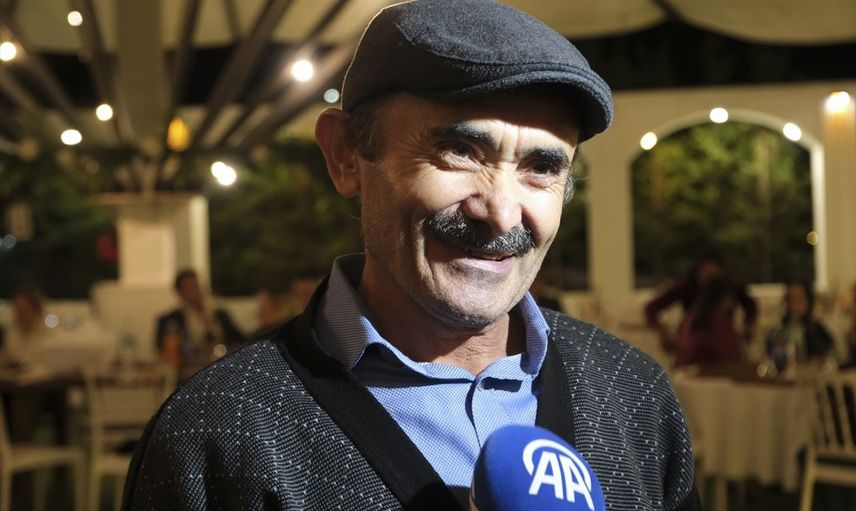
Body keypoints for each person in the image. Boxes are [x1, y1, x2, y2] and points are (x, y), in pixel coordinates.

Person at [124, 2, 700, 510]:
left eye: (541, 167)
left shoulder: (632, 392)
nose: (502, 213)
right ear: (346, 156)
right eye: (460, 150)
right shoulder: (220, 432)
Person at [645, 251, 757, 353]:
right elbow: (651, 307)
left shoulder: (731, 287)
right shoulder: (686, 288)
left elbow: (750, 305)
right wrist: (662, 333)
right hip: (698, 341)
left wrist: (748, 327)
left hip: (715, 341)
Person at [153, 269, 244, 368]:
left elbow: (240, 340)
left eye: (196, 286)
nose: (194, 292)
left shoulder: (219, 314)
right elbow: (163, 353)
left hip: (221, 367)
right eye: (188, 288)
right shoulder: (169, 320)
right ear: (180, 293)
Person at [675, 275, 743, 367]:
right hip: (709, 373)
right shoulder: (718, 322)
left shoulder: (690, 318)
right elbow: (733, 358)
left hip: (684, 371)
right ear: (725, 298)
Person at [766, 280, 834, 371]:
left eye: (799, 298)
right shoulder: (779, 330)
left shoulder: (816, 329)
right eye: (791, 299)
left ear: (808, 301)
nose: (795, 303)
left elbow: (826, 355)